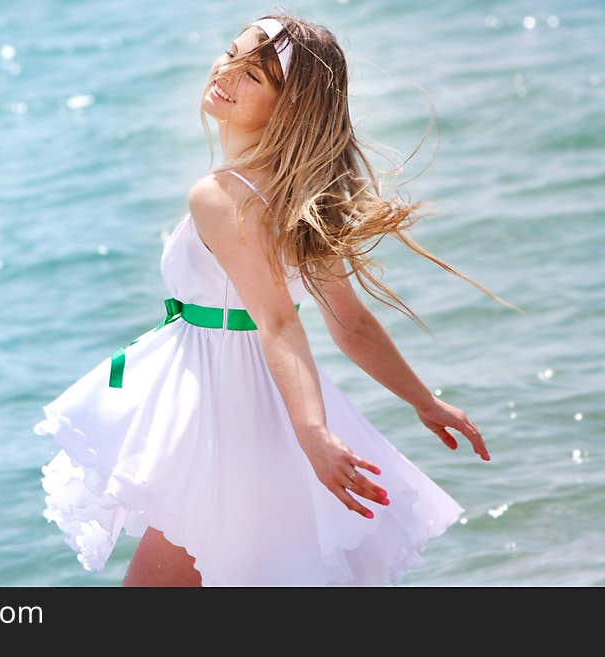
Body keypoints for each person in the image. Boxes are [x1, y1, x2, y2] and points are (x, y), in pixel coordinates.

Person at [33, 13, 518, 587]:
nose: (227, 72)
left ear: (285, 108)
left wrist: (314, 435)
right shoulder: (291, 193)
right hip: (254, 412)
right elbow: (351, 323)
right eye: (231, 53)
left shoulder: (220, 196)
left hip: (225, 421)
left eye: (254, 76)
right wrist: (424, 402)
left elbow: (279, 321)